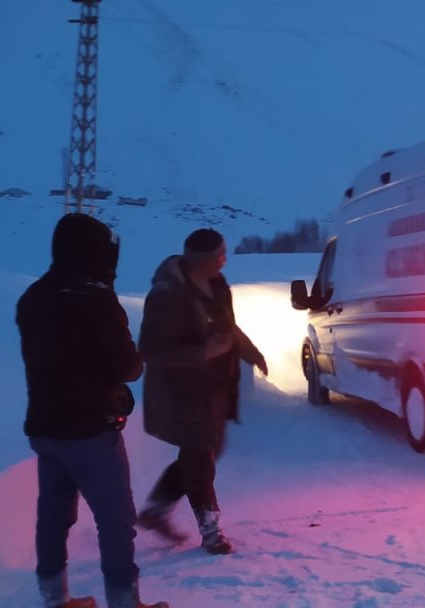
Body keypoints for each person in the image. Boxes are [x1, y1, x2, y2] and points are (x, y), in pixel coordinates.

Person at [16, 213, 168, 608]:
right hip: (89, 431)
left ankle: (55, 599)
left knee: (53, 518)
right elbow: (128, 367)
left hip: (45, 427)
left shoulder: (33, 297)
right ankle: (124, 601)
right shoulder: (96, 298)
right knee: (116, 520)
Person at [137, 228, 267, 555]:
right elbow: (151, 350)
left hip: (216, 390)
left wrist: (251, 352)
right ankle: (211, 530)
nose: (225, 259)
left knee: (204, 454)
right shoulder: (167, 294)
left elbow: (228, 327)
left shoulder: (217, 285)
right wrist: (202, 352)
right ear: (204, 260)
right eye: (220, 255)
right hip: (183, 393)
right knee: (199, 460)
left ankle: (155, 510)